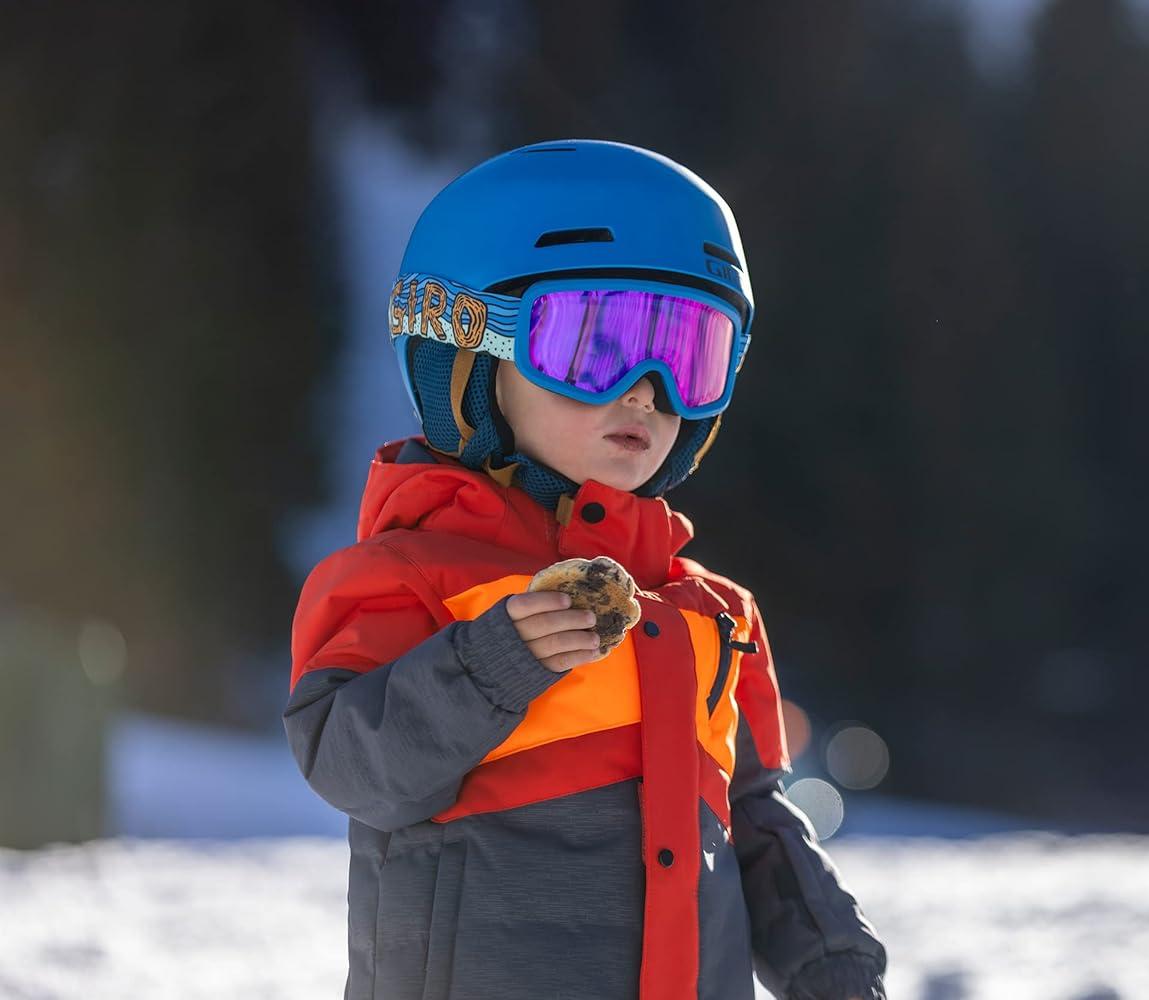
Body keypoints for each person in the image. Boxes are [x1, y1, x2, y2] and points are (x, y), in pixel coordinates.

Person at [283, 139, 888, 1000]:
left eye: (687, 356)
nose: (644, 390)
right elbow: (350, 768)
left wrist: (834, 966)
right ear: (468, 350)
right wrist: (489, 666)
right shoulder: (407, 576)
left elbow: (755, 820)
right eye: (594, 346)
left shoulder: (714, 616)